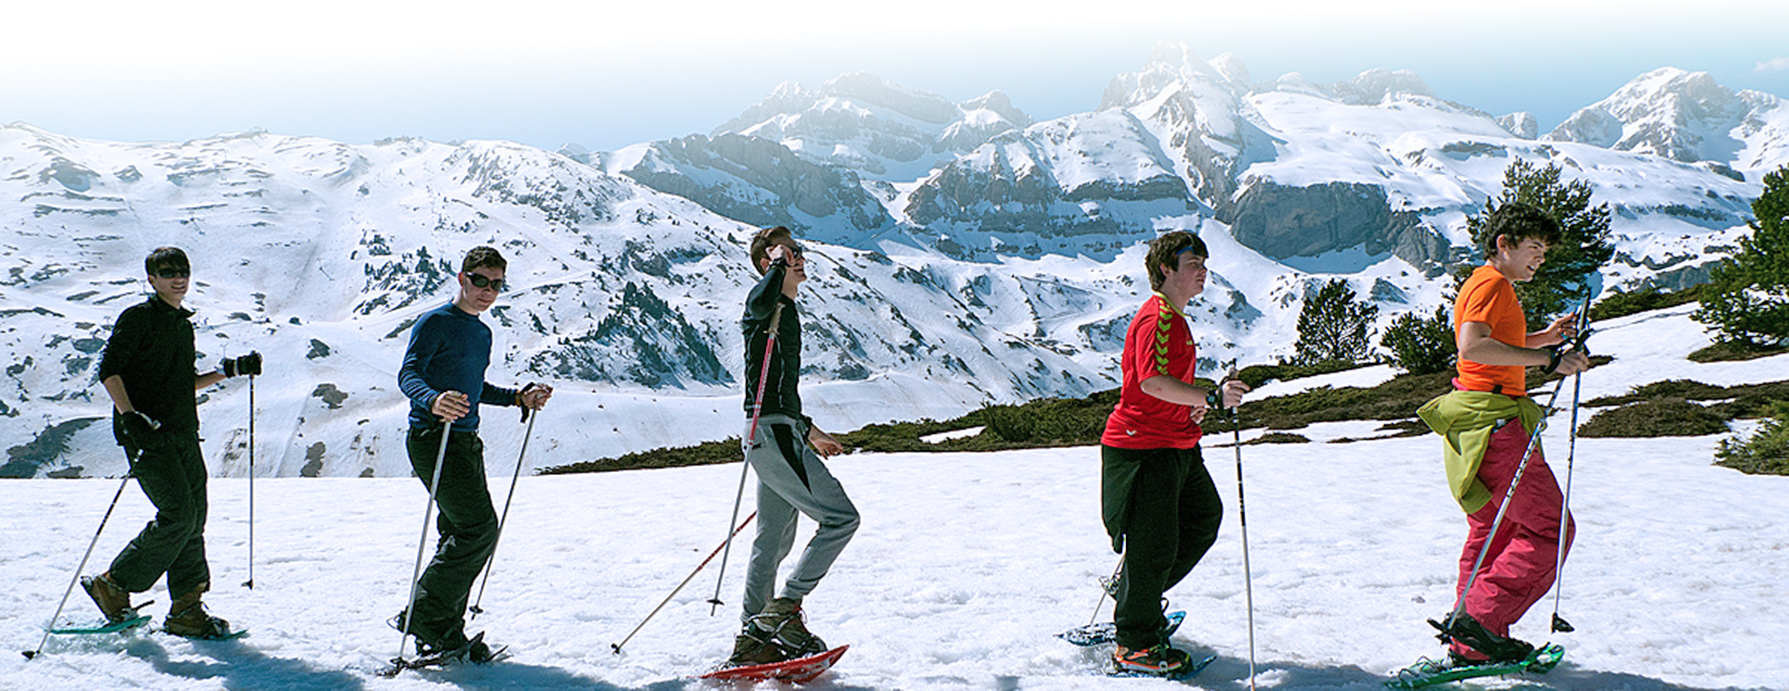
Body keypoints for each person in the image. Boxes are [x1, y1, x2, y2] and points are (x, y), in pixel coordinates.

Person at [1417, 202, 1590, 665]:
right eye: (1534, 247)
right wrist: (1550, 363)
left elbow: (1495, 342)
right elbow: (1473, 346)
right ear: (1504, 244)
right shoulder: (1493, 284)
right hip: (1497, 424)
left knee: (1494, 530)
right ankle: (1480, 624)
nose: (1541, 258)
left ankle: (1468, 638)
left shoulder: (1489, 283)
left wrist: (1544, 338)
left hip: (1479, 420)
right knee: (1552, 529)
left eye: (1545, 250)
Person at [83, 247, 260, 639]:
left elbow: (183, 382)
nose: (178, 278)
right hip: (146, 434)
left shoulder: (181, 323)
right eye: (167, 272)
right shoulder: (138, 318)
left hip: (182, 431)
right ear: (151, 279)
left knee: (194, 517)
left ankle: (187, 610)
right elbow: (109, 370)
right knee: (179, 513)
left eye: (183, 271)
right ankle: (112, 583)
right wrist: (130, 416)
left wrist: (230, 371)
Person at [1098, 231, 1248, 676]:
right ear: (1166, 268)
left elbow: (1162, 386)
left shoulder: (1174, 318)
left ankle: (1135, 593)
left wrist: (1194, 406)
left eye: (1204, 260)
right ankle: (1135, 641)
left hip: (1174, 441)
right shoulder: (1159, 318)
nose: (1203, 269)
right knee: (1156, 544)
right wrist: (1213, 397)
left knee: (1202, 519)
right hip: (1144, 446)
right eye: (1193, 261)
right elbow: (1150, 382)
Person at [394, 245, 550, 662]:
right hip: (433, 437)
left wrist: (519, 397)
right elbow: (408, 373)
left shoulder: (481, 332)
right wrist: (433, 400)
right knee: (478, 529)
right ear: (462, 278)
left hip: (464, 440)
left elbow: (475, 390)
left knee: (459, 533)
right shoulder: (435, 323)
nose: (488, 290)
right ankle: (426, 617)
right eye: (480, 280)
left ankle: (443, 631)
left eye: (497, 284)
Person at [726, 226, 860, 666]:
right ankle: (783, 609)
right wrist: (778, 262)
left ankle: (752, 637)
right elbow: (758, 302)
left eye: (799, 250)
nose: (800, 256)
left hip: (776, 432)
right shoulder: (763, 305)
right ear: (770, 263)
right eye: (789, 252)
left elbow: (779, 389)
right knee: (841, 519)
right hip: (773, 433)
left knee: (771, 540)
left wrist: (809, 429)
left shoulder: (785, 309)